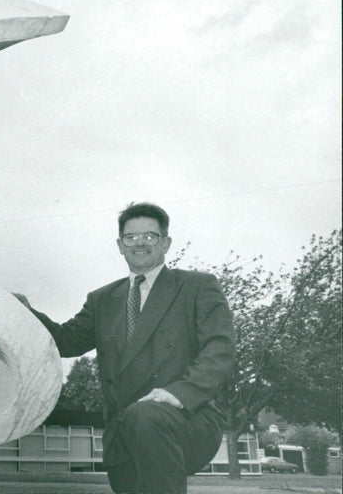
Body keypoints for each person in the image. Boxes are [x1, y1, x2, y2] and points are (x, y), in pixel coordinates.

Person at [24, 202, 235, 494]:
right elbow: (65, 340)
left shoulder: (196, 286)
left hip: (187, 417)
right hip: (122, 430)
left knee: (145, 417)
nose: (140, 243)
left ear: (166, 243)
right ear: (120, 245)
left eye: (150, 236)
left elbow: (220, 347)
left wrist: (180, 394)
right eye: (131, 237)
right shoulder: (102, 300)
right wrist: (23, 312)